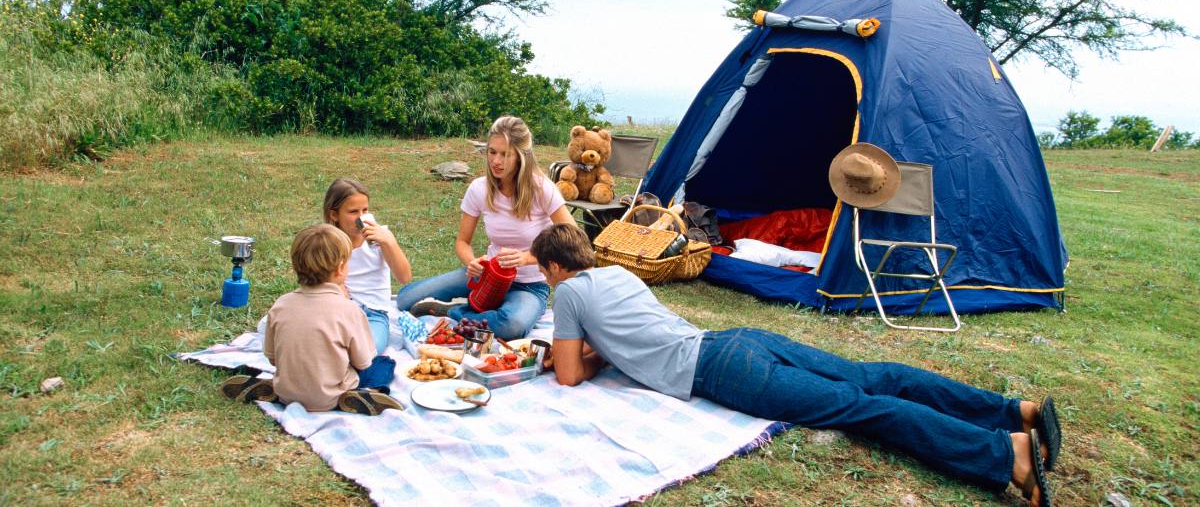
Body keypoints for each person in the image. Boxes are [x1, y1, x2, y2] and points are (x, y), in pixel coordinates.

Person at [530, 223, 1062, 506]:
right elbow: (629, 333)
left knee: (861, 408)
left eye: (546, 273)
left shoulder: (570, 294)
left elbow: (571, 374)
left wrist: (578, 356)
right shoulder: (620, 275)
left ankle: (1006, 455)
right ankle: (1015, 411)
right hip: (739, 339)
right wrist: (603, 350)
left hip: (719, 370)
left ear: (555, 268)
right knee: (872, 375)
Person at [396, 115, 574, 340]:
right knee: (404, 299)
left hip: (529, 286)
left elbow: (572, 236)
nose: (496, 161)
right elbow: (462, 242)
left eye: (505, 154)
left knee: (512, 325)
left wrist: (528, 258)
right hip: (487, 277)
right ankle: (479, 308)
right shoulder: (479, 188)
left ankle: (453, 312)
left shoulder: (542, 189)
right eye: (492, 152)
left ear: (521, 157)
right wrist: (471, 262)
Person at [221, 224, 404, 416]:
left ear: (295, 266)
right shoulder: (349, 310)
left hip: (286, 392)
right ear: (341, 268)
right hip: (331, 394)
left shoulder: (281, 305)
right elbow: (363, 362)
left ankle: (276, 389)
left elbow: (273, 358)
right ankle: (365, 393)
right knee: (384, 364)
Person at [323, 178, 414, 354]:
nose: (361, 217)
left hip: (374, 313)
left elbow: (404, 277)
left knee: (366, 351)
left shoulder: (379, 238)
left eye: (365, 210)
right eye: (353, 212)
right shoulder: (328, 241)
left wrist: (389, 242)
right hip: (338, 309)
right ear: (334, 215)